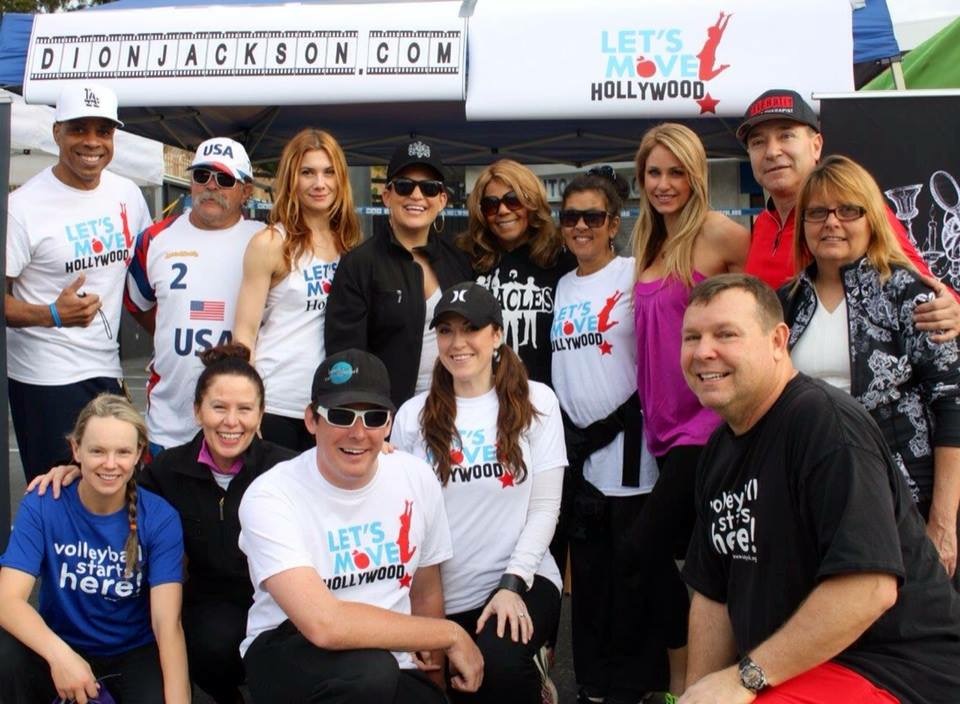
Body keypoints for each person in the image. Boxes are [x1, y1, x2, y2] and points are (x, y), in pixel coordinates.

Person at [678, 273, 960, 704]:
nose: (703, 352)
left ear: (778, 341)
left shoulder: (823, 423)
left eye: (726, 334)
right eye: (691, 337)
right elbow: (714, 596)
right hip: (800, 665)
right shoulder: (720, 448)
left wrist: (744, 679)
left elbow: (869, 588)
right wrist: (697, 694)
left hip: (894, 668)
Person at [30, 344, 297, 703]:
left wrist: (380, 453)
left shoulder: (287, 469)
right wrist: (76, 472)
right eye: (218, 407)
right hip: (210, 609)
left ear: (261, 415)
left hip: (282, 600)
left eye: (244, 409)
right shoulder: (167, 470)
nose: (231, 421)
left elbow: (336, 471)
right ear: (197, 410)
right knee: (209, 641)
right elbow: (115, 480)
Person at [238, 349, 484, 703]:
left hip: (388, 660)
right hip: (288, 649)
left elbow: (425, 590)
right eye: (341, 415)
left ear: (388, 424)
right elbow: (324, 624)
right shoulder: (272, 495)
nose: (358, 433)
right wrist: (450, 634)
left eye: (373, 417)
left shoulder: (414, 477)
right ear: (311, 420)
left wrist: (436, 681)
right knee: (370, 673)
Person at [779, 155, 960, 579]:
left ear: (872, 218)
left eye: (848, 210)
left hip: (902, 497)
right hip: (811, 492)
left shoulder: (908, 295)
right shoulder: (785, 302)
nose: (832, 223)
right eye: (818, 212)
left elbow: (952, 405)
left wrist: (945, 521)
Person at [392, 282, 567, 704]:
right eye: (447, 331)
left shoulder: (536, 401)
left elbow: (545, 509)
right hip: (443, 593)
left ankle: (531, 675)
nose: (458, 343)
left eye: (471, 329)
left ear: (497, 335)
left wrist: (512, 584)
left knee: (499, 668)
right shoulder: (413, 415)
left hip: (521, 578)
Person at [625, 122, 751, 693]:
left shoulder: (723, 234)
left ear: (697, 174)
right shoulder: (647, 241)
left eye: (677, 171)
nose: (664, 183)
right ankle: (713, 681)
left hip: (709, 425)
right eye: (655, 172)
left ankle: (689, 681)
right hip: (664, 429)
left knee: (646, 551)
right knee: (708, 560)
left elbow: (766, 311)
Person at [550, 172, 667, 703]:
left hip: (629, 444)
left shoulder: (632, 272)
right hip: (577, 452)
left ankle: (639, 683)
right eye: (570, 216)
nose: (580, 226)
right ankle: (593, 681)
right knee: (591, 575)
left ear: (613, 224)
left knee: (633, 570)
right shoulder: (562, 284)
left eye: (592, 217)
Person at [0, 395, 189, 704]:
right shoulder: (44, 502)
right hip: (61, 644)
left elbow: (167, 625)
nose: (110, 463)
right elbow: (7, 600)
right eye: (98, 451)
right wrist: (60, 656)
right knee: (5, 653)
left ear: (140, 453)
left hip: (130, 653)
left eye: (123, 452)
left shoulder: (159, 517)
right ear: (76, 449)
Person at [5, 83, 152, 479]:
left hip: (107, 369)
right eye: (78, 129)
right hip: (45, 377)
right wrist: (51, 313)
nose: (91, 142)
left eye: (102, 131)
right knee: (58, 491)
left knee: (113, 485)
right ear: (57, 133)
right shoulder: (22, 208)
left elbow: (145, 281)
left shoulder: (128, 194)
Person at [738, 87, 960, 339]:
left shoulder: (849, 213)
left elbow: (925, 285)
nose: (772, 151)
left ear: (816, 145)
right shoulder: (765, 223)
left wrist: (951, 309)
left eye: (786, 136)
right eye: (758, 142)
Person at [125, 137, 260, 457]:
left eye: (225, 179)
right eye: (202, 176)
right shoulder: (155, 239)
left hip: (240, 418)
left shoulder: (265, 240)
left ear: (246, 190)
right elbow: (138, 305)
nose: (211, 186)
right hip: (171, 418)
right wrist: (172, 334)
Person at [234, 129, 362, 451]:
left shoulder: (350, 245)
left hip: (332, 404)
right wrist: (247, 408)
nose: (320, 183)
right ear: (292, 178)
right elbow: (244, 336)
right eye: (308, 172)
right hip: (277, 403)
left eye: (328, 172)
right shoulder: (270, 243)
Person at [325, 138, 473, 410]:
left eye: (429, 188)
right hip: (386, 421)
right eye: (405, 186)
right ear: (387, 195)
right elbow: (344, 357)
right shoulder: (359, 264)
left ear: (442, 200)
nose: (417, 196)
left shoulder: (459, 261)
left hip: (454, 412)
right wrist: (367, 420)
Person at [459, 158, 576, 386]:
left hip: (544, 398)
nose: (502, 211)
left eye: (513, 201)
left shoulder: (561, 259)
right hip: (483, 395)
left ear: (531, 203)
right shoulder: (467, 259)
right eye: (491, 204)